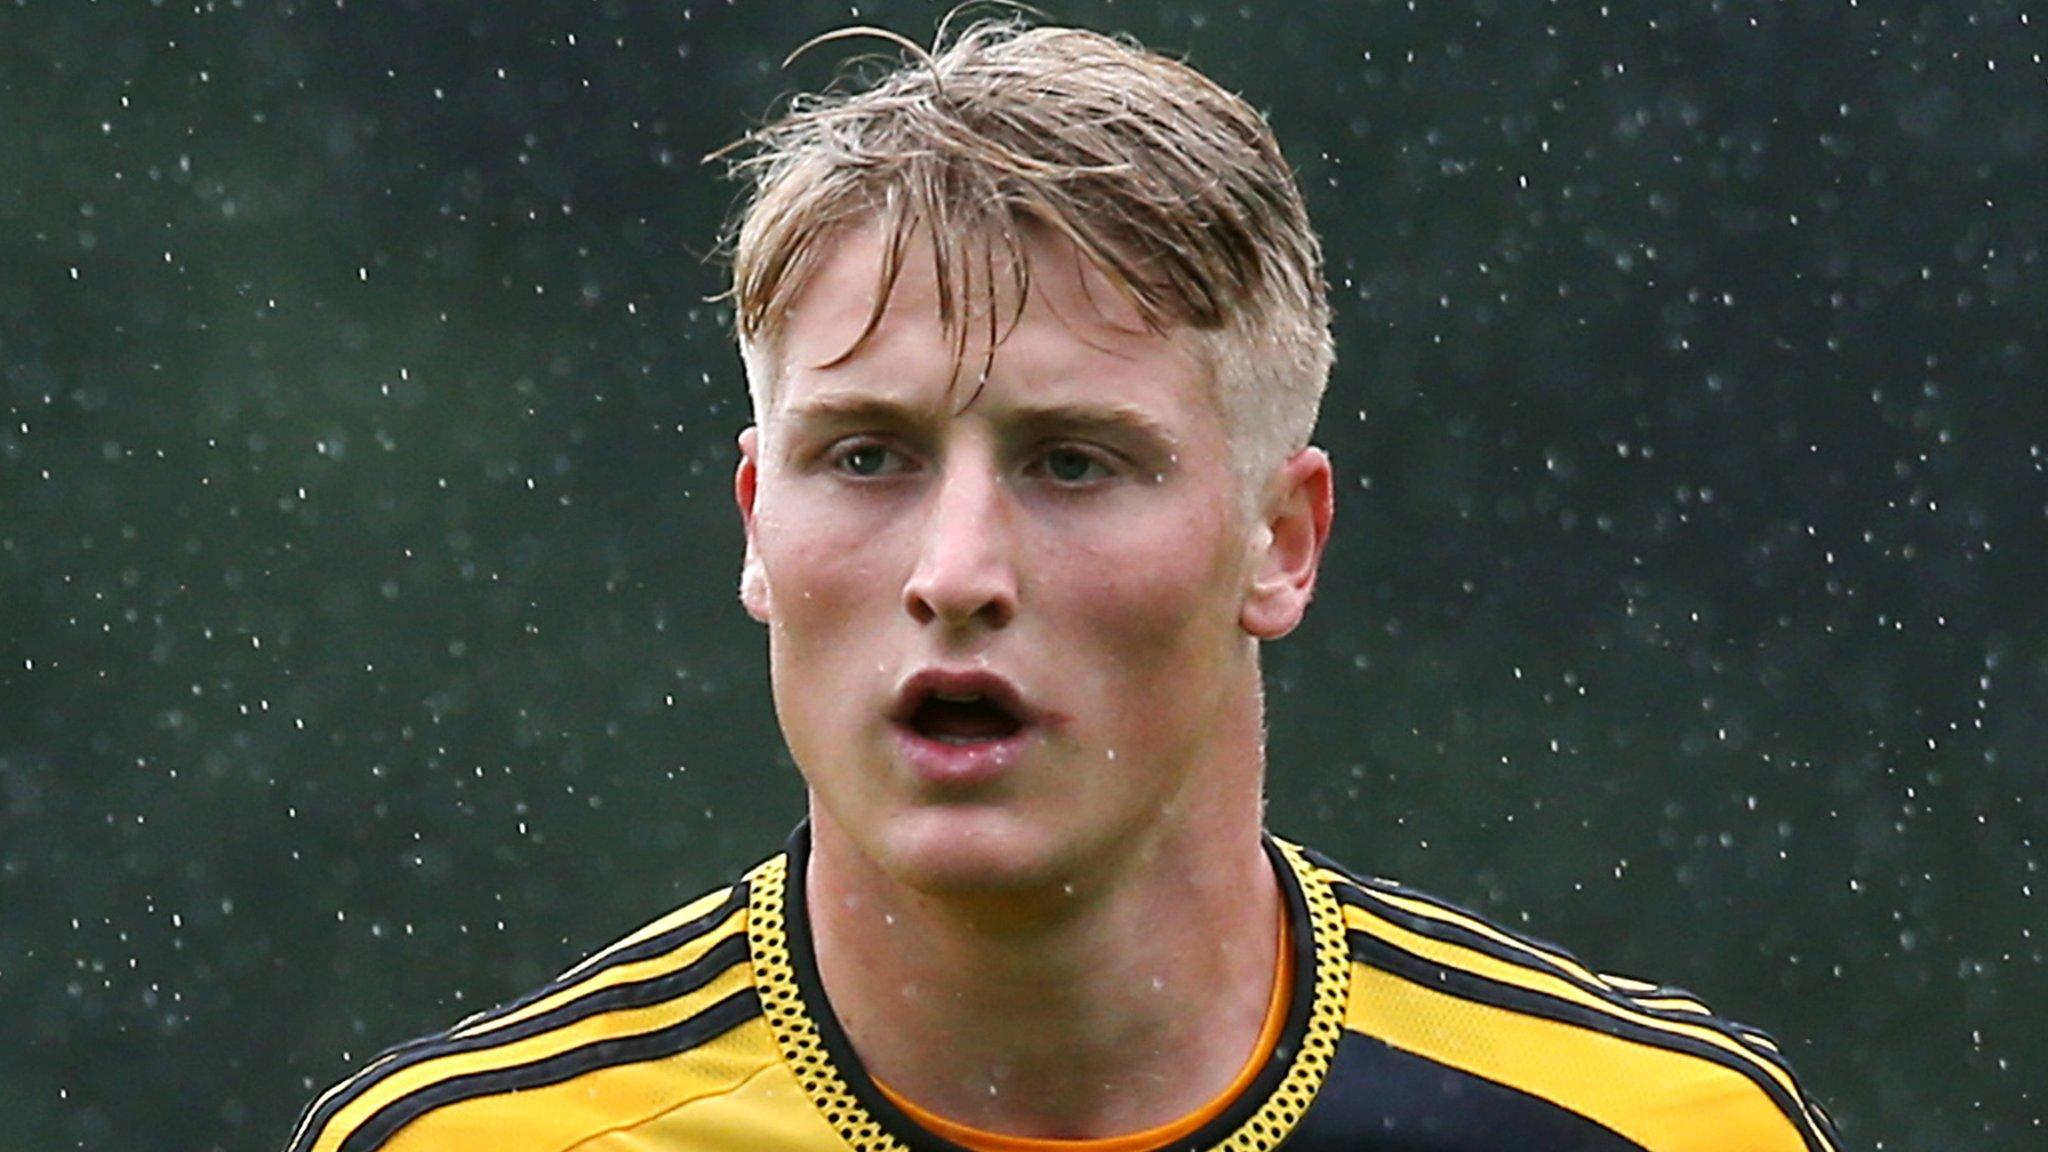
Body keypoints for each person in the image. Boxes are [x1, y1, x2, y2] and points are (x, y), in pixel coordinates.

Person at [286, 18, 1841, 1152]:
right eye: (870, 459)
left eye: (1074, 462)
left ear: (1279, 541)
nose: (956, 576)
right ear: (757, 526)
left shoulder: (1662, 1132)